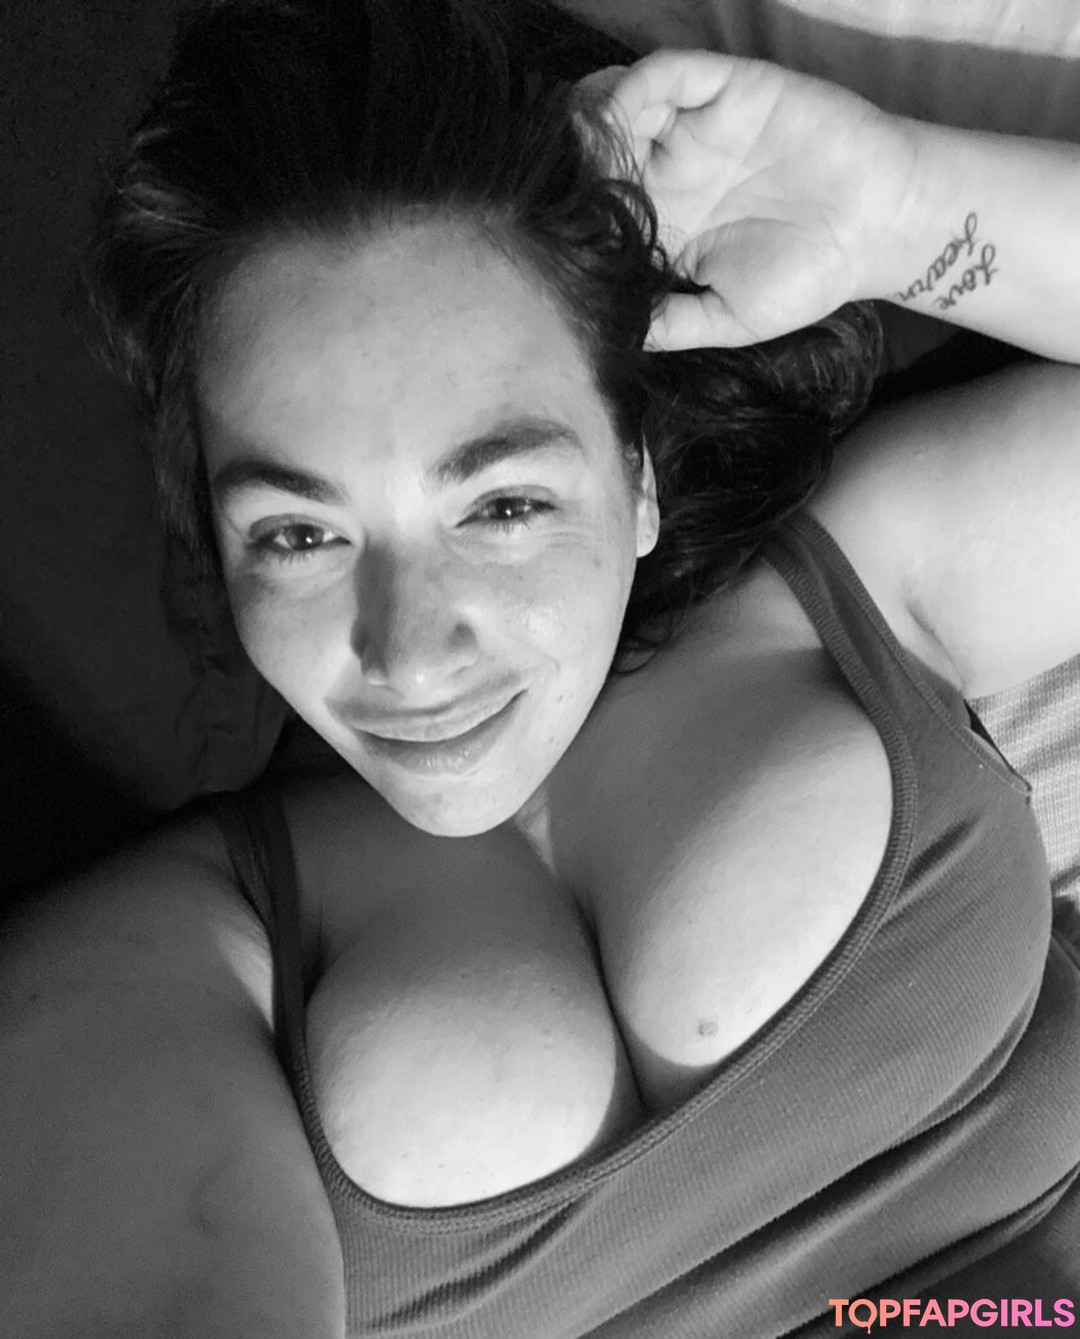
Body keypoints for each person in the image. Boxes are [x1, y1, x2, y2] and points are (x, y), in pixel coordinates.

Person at [2, 1, 1078, 1334]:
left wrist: (905, 215)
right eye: (299, 534)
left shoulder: (850, 588)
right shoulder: (147, 960)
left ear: (638, 478)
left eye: (503, 505)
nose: (409, 653)